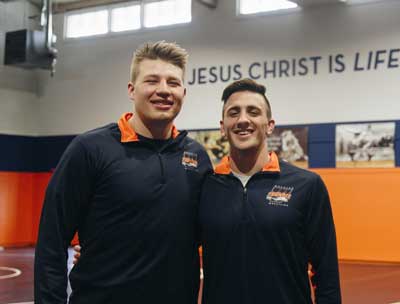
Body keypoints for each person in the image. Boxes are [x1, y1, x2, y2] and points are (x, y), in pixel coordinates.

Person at [34, 41, 212, 304]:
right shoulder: (89, 149)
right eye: (152, 81)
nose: (163, 90)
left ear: (183, 92)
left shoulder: (197, 158)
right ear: (132, 90)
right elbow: (52, 241)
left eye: (173, 83)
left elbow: (210, 232)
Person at [198, 78, 341, 303]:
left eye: (253, 112)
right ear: (223, 128)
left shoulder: (307, 185)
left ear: (270, 125)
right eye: (233, 113)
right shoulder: (205, 186)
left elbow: (326, 271)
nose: (243, 120)